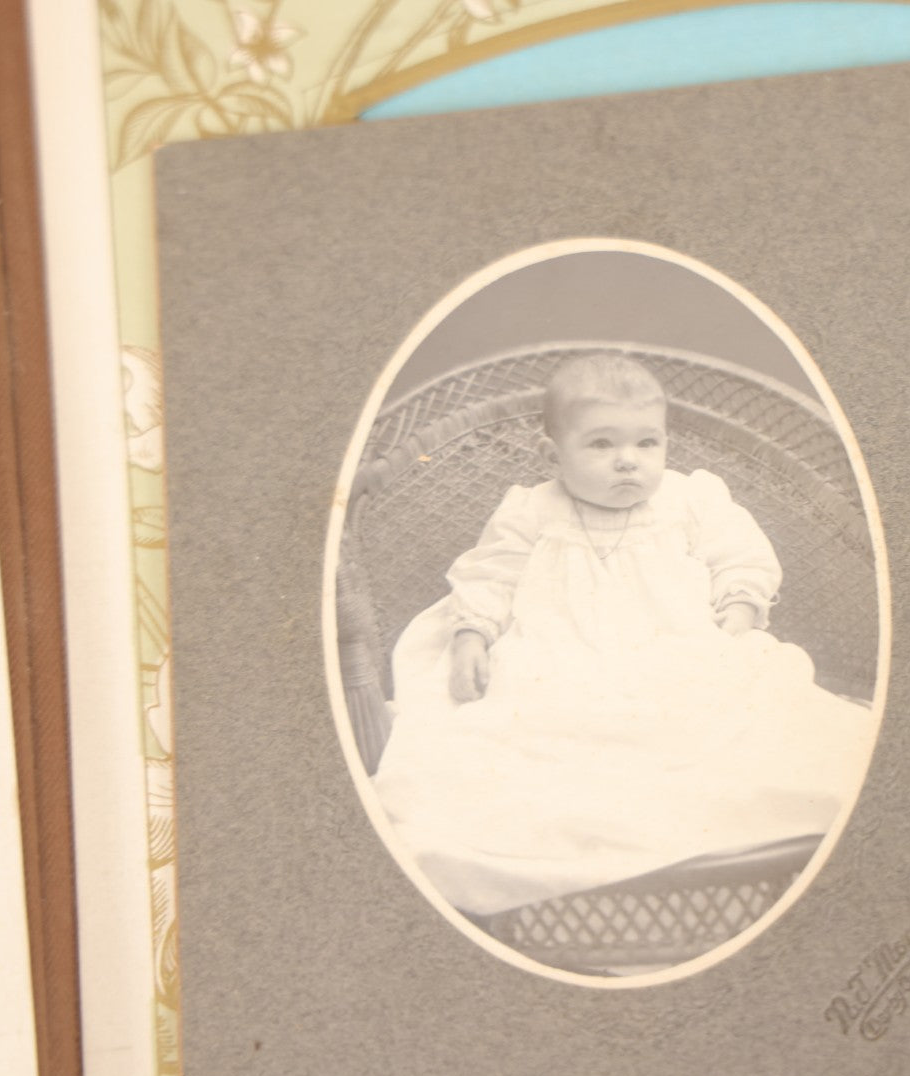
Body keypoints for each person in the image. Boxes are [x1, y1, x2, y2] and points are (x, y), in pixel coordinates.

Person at [371, 353, 873, 920]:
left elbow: (741, 555)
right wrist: (471, 634)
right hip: (559, 658)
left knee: (734, 723)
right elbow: (490, 573)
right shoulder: (533, 510)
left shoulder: (690, 500)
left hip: (675, 651)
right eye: (602, 445)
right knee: (531, 744)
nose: (628, 462)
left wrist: (738, 607)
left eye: (646, 443)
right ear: (552, 453)